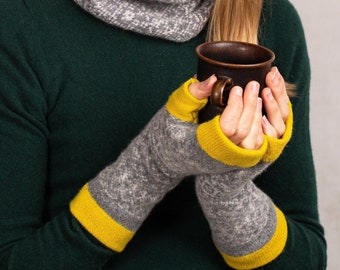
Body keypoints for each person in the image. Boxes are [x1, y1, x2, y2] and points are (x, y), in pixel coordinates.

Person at [0, 0, 327, 269]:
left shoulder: (269, 18)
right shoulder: (22, 24)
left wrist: (229, 193)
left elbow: (307, 259)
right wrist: (150, 166)